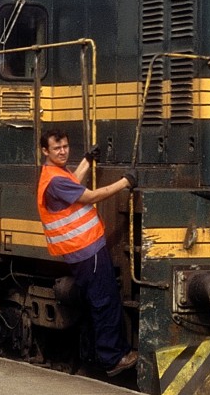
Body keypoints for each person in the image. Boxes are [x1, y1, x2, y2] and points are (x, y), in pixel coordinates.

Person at [37, 128, 138, 376]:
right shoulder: (55, 181)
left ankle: (100, 354)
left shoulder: (55, 174)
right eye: (57, 148)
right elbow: (91, 196)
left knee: (98, 301)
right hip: (85, 251)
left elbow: (74, 182)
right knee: (104, 302)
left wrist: (87, 160)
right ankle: (112, 358)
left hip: (85, 250)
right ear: (45, 151)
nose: (62, 152)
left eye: (65, 147)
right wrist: (126, 182)